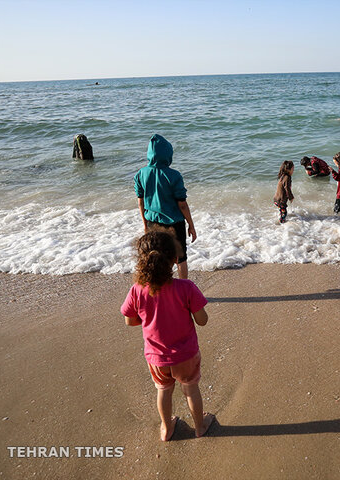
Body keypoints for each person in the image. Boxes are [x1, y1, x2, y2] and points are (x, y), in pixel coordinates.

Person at [121, 229, 214, 441]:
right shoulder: (186, 287)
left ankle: (167, 428)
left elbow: (130, 320)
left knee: (163, 391)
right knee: (191, 389)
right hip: (186, 356)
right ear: (174, 259)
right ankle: (200, 427)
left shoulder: (137, 290)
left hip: (156, 358)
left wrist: (149, 319)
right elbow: (203, 320)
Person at [134, 134, 197, 280]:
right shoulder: (174, 175)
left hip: (153, 223)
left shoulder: (140, 174)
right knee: (180, 257)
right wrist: (191, 225)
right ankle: (183, 290)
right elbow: (182, 204)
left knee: (157, 257)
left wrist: (145, 225)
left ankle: (161, 289)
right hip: (174, 223)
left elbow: (141, 203)